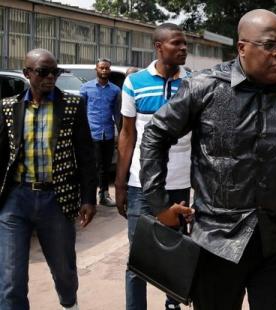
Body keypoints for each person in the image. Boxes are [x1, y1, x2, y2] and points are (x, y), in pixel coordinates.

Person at [140, 9, 276, 309]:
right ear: (242, 48)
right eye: (270, 46)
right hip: (217, 241)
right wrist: (159, 204)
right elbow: (155, 135)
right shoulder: (204, 87)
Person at [0, 48, 96, 310]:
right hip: (16, 200)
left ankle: (69, 304)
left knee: (64, 271)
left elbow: (86, 155)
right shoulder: (9, 108)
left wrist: (89, 198)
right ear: (27, 73)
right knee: (10, 280)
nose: (50, 77)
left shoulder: (72, 106)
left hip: (56, 198)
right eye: (43, 72)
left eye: (55, 71)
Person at [115, 23, 191, 310]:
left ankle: (173, 305)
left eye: (185, 44)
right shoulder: (135, 83)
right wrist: (120, 184)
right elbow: (127, 134)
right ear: (159, 47)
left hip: (179, 185)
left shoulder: (193, 83)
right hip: (140, 186)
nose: (184, 48)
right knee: (138, 260)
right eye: (177, 43)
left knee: (176, 254)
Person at [80, 58, 121, 207]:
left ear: (110, 70)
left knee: (106, 165)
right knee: (94, 166)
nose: (104, 71)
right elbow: (81, 113)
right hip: (92, 133)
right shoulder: (85, 88)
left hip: (108, 133)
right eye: (101, 68)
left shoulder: (115, 90)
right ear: (96, 69)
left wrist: (121, 133)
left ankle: (104, 195)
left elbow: (117, 114)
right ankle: (88, 197)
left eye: (107, 68)